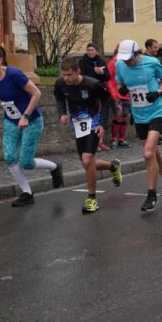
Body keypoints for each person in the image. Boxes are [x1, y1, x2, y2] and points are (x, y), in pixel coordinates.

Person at [0, 45, 63, 206]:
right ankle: (27, 193)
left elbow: (36, 93)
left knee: (26, 162)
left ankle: (54, 167)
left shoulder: (14, 74)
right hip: (11, 121)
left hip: (31, 120)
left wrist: (25, 116)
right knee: (10, 157)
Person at [114, 38, 162, 212]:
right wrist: (121, 88)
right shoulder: (120, 65)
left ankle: (151, 195)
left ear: (137, 53)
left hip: (156, 111)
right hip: (139, 114)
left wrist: (157, 92)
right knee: (153, 153)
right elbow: (119, 83)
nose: (127, 62)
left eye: (129, 59)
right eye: (124, 59)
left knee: (148, 152)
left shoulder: (151, 62)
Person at [54, 56, 122, 214]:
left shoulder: (93, 84)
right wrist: (62, 113)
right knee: (87, 162)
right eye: (63, 75)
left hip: (93, 121)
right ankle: (112, 166)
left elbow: (106, 101)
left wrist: (102, 124)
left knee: (86, 159)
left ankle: (92, 198)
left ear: (78, 71)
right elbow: (59, 98)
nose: (66, 78)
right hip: (77, 123)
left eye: (69, 75)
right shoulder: (60, 84)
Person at [79, 42, 112, 149]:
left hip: (100, 91)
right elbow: (83, 77)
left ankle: (100, 141)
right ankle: (93, 142)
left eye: (92, 50)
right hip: (88, 92)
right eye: (88, 50)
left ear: (96, 51)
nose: (90, 52)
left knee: (101, 116)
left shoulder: (101, 61)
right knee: (92, 116)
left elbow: (107, 77)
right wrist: (95, 72)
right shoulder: (82, 62)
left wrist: (101, 73)